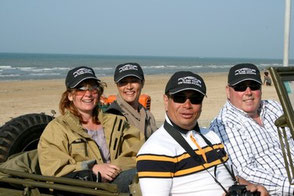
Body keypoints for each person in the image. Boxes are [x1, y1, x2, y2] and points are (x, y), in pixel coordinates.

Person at [136, 71, 267, 196]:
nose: (187, 105)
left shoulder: (211, 136)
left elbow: (230, 176)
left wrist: (249, 187)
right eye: (180, 98)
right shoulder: (155, 150)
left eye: (195, 99)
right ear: (166, 100)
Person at [37, 66, 144, 193]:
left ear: (98, 93)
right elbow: (53, 169)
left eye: (93, 88)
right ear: (70, 95)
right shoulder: (58, 128)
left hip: (115, 182)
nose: (88, 94)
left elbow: (139, 151)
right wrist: (92, 169)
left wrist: (113, 168)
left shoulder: (116, 122)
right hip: (83, 189)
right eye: (80, 89)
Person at [210, 63, 294, 195]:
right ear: (228, 91)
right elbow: (246, 171)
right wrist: (291, 186)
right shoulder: (225, 124)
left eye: (254, 86)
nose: (248, 92)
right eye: (240, 87)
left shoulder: (273, 107)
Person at [105, 62, 157, 139]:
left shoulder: (148, 115)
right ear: (117, 85)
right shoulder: (113, 115)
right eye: (123, 82)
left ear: (142, 83)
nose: (129, 87)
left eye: (134, 81)